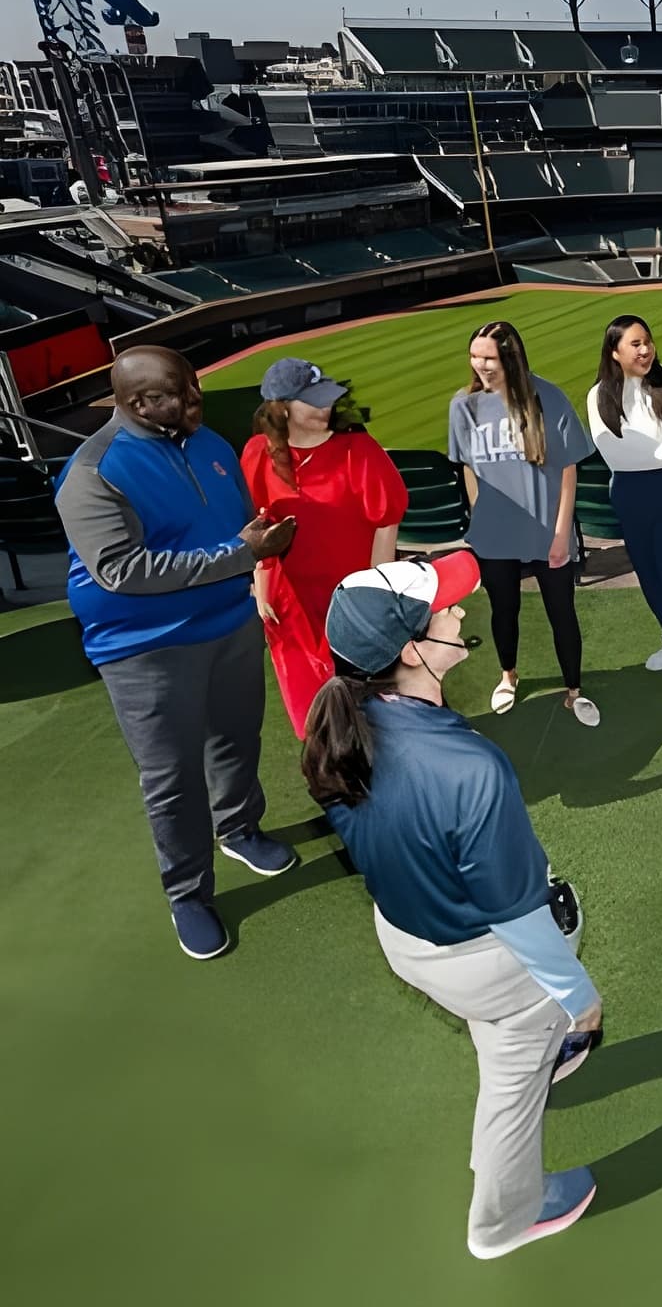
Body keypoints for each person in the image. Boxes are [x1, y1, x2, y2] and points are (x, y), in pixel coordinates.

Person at [304, 553, 602, 1257]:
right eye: (446, 612)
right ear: (411, 651)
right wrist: (578, 998)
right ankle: (506, 1221)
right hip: (490, 963)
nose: (460, 614)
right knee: (511, 1079)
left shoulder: (340, 725)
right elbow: (517, 912)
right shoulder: (471, 771)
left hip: (409, 940)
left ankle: (531, 1047)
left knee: (502, 1037)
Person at [53, 346, 298, 960]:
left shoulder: (207, 442)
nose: (198, 402)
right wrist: (243, 556)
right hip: (145, 647)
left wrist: (259, 541)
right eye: (184, 394)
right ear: (141, 403)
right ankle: (187, 893)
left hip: (229, 624)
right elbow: (121, 570)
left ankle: (239, 829)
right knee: (172, 777)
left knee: (237, 738)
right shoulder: (93, 472)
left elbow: (239, 526)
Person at [240, 357, 409, 737]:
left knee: (371, 697)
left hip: (351, 595)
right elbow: (259, 522)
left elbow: (386, 521)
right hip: (291, 602)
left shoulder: (357, 449)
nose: (325, 407)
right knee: (313, 709)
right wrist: (261, 581)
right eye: (312, 400)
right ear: (281, 408)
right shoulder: (256, 453)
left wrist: (375, 591)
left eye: (328, 397)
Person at [448, 321, 598, 725]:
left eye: (490, 357)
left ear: (510, 358)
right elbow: (468, 468)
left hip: (546, 530)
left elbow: (568, 469)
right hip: (495, 533)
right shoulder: (463, 406)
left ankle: (574, 688)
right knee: (503, 611)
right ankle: (508, 675)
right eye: (475, 355)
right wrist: (481, 519)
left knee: (561, 612)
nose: (481, 365)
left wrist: (561, 534)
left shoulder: (548, 397)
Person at [585, 315, 662, 706]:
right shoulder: (599, 394)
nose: (645, 349)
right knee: (651, 578)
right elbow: (613, 452)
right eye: (635, 344)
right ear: (614, 352)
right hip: (631, 493)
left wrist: (659, 454)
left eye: (647, 341)